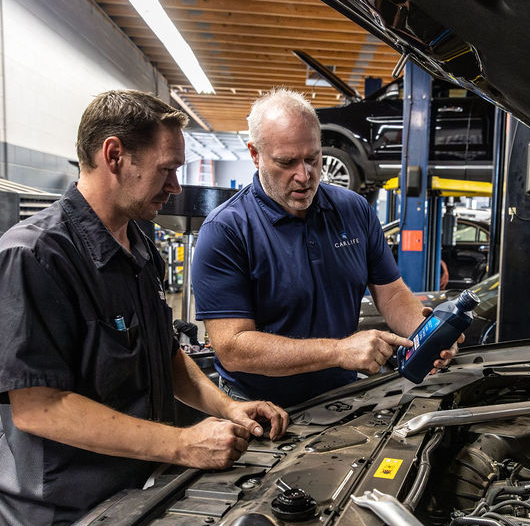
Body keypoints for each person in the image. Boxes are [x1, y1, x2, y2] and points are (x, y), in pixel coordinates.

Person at [0, 90, 289, 526]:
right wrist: (183, 445)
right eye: (167, 169)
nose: (176, 185)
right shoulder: (33, 257)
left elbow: (161, 352)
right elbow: (40, 407)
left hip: (132, 500)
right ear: (115, 155)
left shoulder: (138, 243)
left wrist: (226, 407)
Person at [192, 88, 460, 408]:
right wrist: (338, 351)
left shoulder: (354, 210)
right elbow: (233, 348)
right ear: (254, 153)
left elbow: (390, 293)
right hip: (255, 406)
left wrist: (424, 334)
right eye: (287, 162)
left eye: (312, 158)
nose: (304, 175)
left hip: (340, 398)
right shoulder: (225, 231)